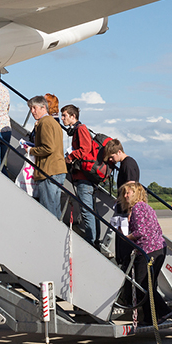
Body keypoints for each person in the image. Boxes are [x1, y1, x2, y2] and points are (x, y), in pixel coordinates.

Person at [118, 181, 167, 326]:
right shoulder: (147, 207)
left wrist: (126, 237)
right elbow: (157, 229)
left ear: (136, 194)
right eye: (124, 193)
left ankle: (163, 311)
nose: (125, 196)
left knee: (141, 285)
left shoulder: (138, 208)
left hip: (149, 250)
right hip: (158, 248)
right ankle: (150, 318)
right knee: (148, 285)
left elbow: (141, 232)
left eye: (128, 193)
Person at [63, 104, 102, 245]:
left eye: (65, 115)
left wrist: (70, 157)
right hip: (84, 177)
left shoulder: (81, 129)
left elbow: (85, 148)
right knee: (90, 210)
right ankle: (94, 240)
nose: (62, 119)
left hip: (84, 178)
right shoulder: (78, 130)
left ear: (73, 116)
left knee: (87, 211)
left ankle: (90, 241)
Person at [28, 95, 67, 220]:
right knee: (55, 208)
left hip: (48, 170)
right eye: (31, 108)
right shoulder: (53, 122)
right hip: (58, 169)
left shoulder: (45, 123)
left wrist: (31, 150)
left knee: (48, 210)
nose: (32, 111)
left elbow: (48, 147)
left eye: (34, 108)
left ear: (43, 107)